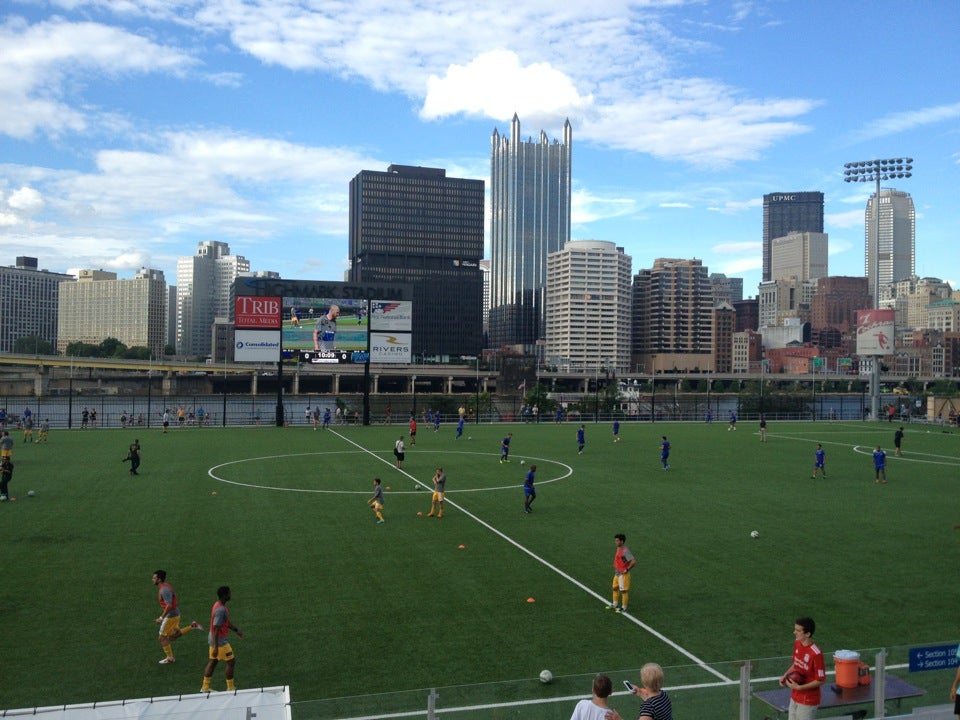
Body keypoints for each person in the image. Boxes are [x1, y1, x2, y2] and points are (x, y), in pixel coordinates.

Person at [779, 616, 825, 719]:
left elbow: (821, 680)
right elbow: (796, 664)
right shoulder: (797, 643)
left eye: (798, 630)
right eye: (795, 629)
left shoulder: (816, 653)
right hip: (795, 696)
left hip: (808, 701)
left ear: (807, 634)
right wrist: (785, 676)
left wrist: (800, 687)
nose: (794, 632)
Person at [152, 570, 202, 664]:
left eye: (154, 578)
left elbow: (169, 605)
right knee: (173, 636)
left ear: (159, 579)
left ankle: (170, 658)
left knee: (162, 638)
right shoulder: (166, 586)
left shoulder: (164, 590)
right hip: (175, 614)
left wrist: (161, 618)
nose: (152, 579)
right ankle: (192, 626)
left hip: (171, 616)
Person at [201, 586, 243, 692]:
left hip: (214, 639)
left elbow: (225, 622)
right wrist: (215, 647)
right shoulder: (221, 610)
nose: (230, 595)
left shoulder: (218, 605)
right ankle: (230, 688)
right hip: (220, 642)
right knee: (231, 662)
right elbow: (216, 628)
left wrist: (236, 630)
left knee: (213, 661)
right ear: (225, 595)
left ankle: (205, 687)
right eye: (229, 593)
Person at [607, 663, 673, 720]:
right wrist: (639, 693)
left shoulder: (648, 708)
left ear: (643, 682)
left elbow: (651, 706)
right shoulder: (663, 695)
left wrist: (618, 719)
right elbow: (654, 702)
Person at [608, 533, 636, 613]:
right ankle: (615, 604)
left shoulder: (625, 551)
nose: (615, 542)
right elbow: (623, 560)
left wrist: (627, 569)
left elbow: (633, 561)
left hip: (623, 575)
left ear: (622, 541)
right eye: (615, 540)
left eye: (617, 541)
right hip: (617, 573)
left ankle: (624, 607)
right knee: (614, 588)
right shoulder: (619, 549)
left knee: (623, 591)